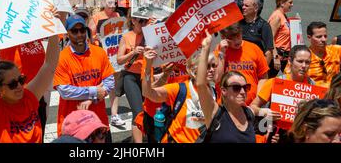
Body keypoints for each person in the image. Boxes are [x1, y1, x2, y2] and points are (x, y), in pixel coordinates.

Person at [0, 18, 61, 143]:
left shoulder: (29, 97)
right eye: (12, 84)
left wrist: (53, 30)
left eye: (21, 80)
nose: (19, 86)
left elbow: (49, 65)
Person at [53, 15, 115, 142]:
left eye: (82, 30)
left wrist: (92, 99)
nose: (79, 34)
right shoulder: (61, 58)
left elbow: (109, 82)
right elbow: (65, 91)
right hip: (74, 127)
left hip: (99, 122)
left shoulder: (99, 52)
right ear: (67, 33)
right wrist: (93, 92)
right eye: (74, 31)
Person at [142, 43, 218, 143]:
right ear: (194, 70)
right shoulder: (180, 89)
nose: (211, 70)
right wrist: (148, 66)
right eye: (207, 66)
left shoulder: (215, 93)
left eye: (213, 66)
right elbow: (148, 93)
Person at [197, 30, 256, 143]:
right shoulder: (215, 113)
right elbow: (200, 84)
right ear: (223, 91)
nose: (243, 92)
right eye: (236, 88)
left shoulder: (249, 114)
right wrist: (205, 49)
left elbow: (258, 111)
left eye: (246, 87)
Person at [250, 45, 314, 142]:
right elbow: (252, 107)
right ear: (290, 61)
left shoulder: (313, 85)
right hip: (276, 135)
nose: (304, 66)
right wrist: (264, 112)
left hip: (301, 137)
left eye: (307, 62)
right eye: (300, 61)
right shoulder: (275, 82)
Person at [214, 23, 269, 105]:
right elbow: (217, 78)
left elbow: (263, 77)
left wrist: (257, 101)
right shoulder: (219, 51)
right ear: (223, 37)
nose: (236, 41)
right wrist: (222, 53)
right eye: (231, 38)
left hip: (251, 107)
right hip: (226, 106)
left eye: (238, 36)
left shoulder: (254, 48)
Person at [117, 15, 147, 143]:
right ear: (133, 21)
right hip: (131, 77)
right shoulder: (126, 37)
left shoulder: (149, 34)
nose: (143, 24)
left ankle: (137, 138)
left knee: (148, 111)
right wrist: (133, 52)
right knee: (138, 112)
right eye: (141, 21)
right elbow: (119, 60)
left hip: (146, 77)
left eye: (145, 21)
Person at [240, 0, 274, 76]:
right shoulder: (238, 23)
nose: (243, 7)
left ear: (255, 8)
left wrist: (261, 72)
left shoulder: (264, 26)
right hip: (238, 67)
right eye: (243, 5)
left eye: (246, 6)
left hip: (255, 70)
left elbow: (268, 52)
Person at [303, 22, 341, 88]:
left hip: (334, 94)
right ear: (309, 38)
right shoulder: (302, 56)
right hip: (314, 95)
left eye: (325, 36)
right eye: (319, 37)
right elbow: (290, 77)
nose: (323, 39)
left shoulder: (336, 50)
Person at [268, 0, 293, 77]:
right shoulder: (277, 17)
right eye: (290, 2)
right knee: (268, 81)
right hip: (277, 57)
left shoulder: (283, 16)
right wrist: (275, 57)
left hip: (285, 57)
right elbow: (270, 38)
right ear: (282, 3)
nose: (292, 5)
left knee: (290, 79)